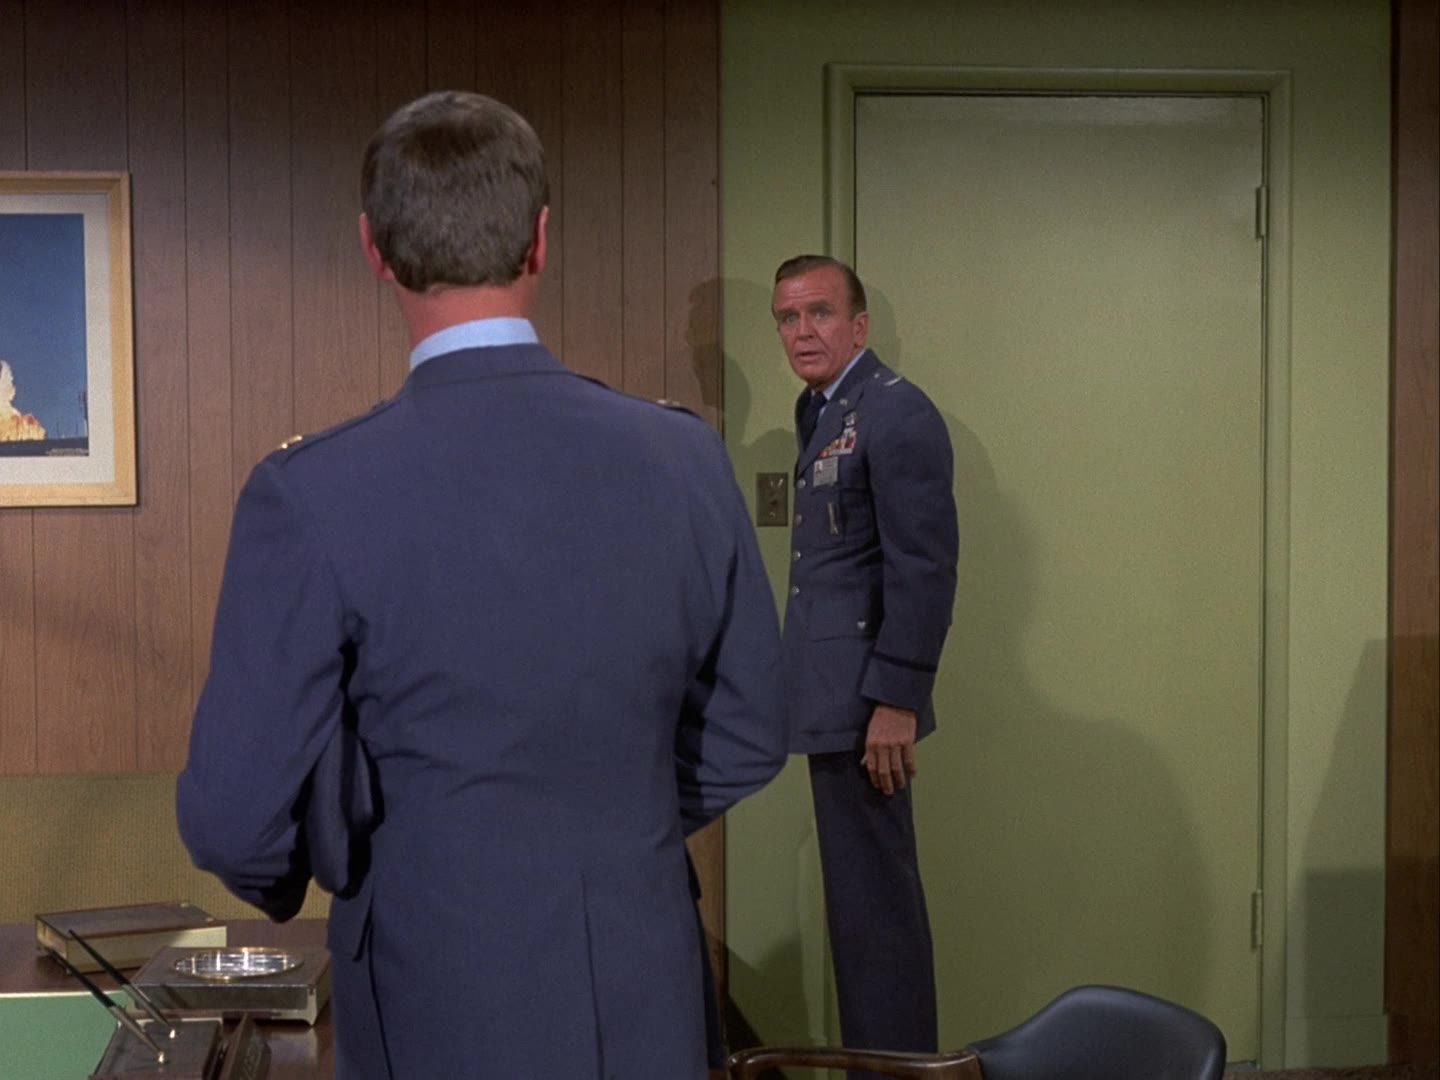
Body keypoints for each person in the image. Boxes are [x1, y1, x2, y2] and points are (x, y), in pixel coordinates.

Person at [177, 91, 787, 1080]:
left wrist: (357, 857)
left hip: (430, 983)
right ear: (540, 240)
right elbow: (751, 732)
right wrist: (608, 834)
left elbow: (234, 821)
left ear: (374, 248)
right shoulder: (683, 459)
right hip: (643, 978)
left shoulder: (313, 492)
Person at [771, 254, 958, 1066]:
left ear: (859, 325)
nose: (802, 332)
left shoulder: (895, 411)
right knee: (860, 912)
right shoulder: (821, 409)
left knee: (876, 915)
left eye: (819, 313)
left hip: (868, 704)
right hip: (833, 698)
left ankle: (898, 1071)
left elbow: (925, 567)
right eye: (787, 318)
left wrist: (896, 699)